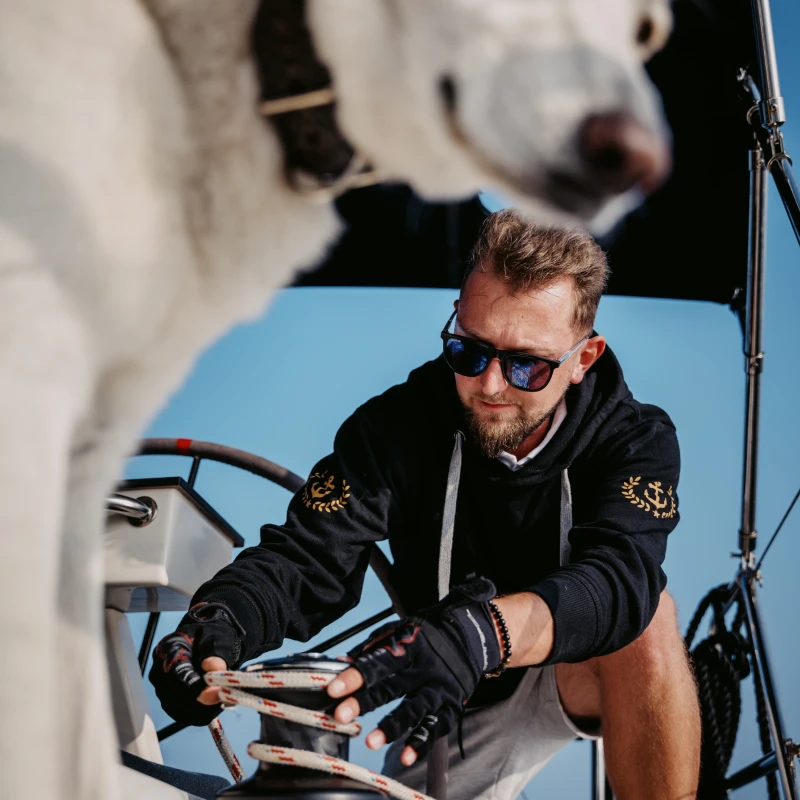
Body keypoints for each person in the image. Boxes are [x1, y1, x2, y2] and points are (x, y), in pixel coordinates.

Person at [150, 209, 701, 799]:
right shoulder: (398, 425)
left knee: (650, 622)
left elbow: (621, 578)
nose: (490, 385)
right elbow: (306, 557)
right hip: (447, 701)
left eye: (526, 366)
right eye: (469, 351)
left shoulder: (633, 438)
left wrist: (476, 636)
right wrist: (219, 618)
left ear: (581, 361)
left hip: (568, 668)